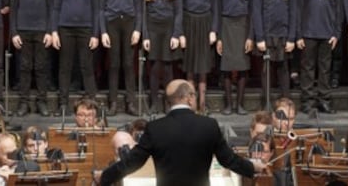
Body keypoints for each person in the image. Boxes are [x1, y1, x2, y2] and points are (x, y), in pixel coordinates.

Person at [97, 79, 264, 186]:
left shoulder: (155, 128)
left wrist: (104, 177)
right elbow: (229, 160)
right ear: (190, 97)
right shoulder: (209, 125)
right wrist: (252, 167)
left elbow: (133, 162)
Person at [51, 0, 99, 115]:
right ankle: (63, 104)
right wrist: (54, 31)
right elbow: (55, 8)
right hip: (65, 29)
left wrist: (95, 34)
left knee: (87, 66)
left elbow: (96, 10)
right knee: (65, 66)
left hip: (86, 29)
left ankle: (92, 104)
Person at [99, 0, 142, 116]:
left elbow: (139, 7)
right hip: (112, 23)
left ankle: (131, 102)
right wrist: (103, 32)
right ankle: (113, 103)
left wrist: (138, 30)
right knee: (114, 63)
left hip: (130, 23)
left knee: (129, 64)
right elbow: (101, 9)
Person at [11, 0, 54, 117]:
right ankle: (24, 102)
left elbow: (51, 8)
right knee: (24, 67)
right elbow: (13, 9)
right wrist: (14, 32)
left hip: (42, 31)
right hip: (23, 30)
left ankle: (42, 101)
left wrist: (50, 31)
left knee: (41, 67)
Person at [298, 0, 341, 115]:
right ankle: (307, 101)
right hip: (308, 33)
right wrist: (299, 34)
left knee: (325, 68)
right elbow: (299, 10)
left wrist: (336, 33)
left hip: (327, 34)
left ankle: (324, 100)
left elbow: (338, 12)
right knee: (308, 68)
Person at [142, 0, 184, 113]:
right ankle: (154, 103)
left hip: (168, 29)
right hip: (152, 29)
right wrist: (145, 35)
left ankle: (169, 103)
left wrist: (176, 34)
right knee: (154, 67)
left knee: (167, 68)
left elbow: (179, 12)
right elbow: (143, 13)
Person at [179, 0, 219, 114]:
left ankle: (202, 104)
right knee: (190, 65)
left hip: (205, 24)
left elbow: (216, 7)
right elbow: (179, 9)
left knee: (203, 65)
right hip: (189, 24)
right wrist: (180, 33)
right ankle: (191, 103)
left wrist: (213, 30)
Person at [253, 0, 298, 100]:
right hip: (266, 35)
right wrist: (259, 38)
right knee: (267, 69)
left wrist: (291, 38)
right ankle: (266, 102)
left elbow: (293, 14)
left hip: (284, 35)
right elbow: (257, 14)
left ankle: (285, 101)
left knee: (283, 68)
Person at [216, 0, 253, 115]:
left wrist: (251, 37)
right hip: (226, 25)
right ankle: (228, 105)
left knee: (243, 67)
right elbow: (217, 11)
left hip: (243, 25)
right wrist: (218, 37)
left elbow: (253, 14)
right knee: (226, 67)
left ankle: (240, 104)